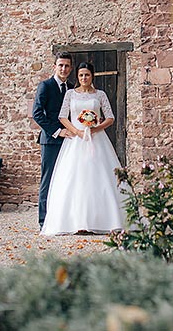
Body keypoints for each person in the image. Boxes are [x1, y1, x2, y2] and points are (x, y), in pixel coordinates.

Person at [40, 61, 126, 235]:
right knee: (75, 179)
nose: (84, 78)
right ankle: (77, 222)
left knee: (99, 178)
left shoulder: (100, 94)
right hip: (75, 139)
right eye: (80, 75)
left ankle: (102, 219)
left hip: (97, 139)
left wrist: (94, 129)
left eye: (87, 75)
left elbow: (110, 117)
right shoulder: (71, 94)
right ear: (77, 77)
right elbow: (63, 117)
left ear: (92, 76)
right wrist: (77, 132)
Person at [32, 51, 75, 229]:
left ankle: (64, 220)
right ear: (54, 66)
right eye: (60, 65)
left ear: (71, 68)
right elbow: (37, 114)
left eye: (66, 66)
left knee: (68, 180)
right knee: (48, 180)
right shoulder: (46, 86)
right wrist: (58, 131)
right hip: (50, 141)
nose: (63, 69)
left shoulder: (72, 88)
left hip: (70, 141)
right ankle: (44, 222)